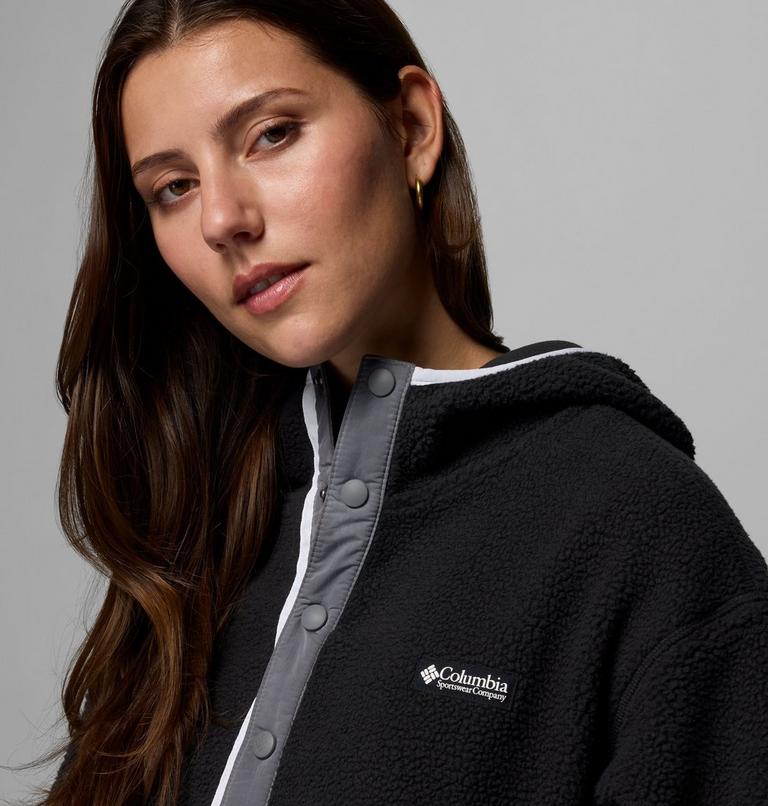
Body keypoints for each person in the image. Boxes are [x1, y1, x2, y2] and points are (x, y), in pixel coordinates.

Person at [33, 0, 767, 804]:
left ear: (412, 127)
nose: (222, 219)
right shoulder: (199, 528)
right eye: (174, 187)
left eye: (272, 134)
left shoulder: (639, 524)